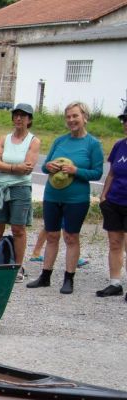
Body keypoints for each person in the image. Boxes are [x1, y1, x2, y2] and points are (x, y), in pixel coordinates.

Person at [26, 101, 104, 293]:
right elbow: (44, 167)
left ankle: (69, 278)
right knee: (52, 235)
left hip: (76, 198)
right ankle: (45, 276)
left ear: (84, 117)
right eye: (68, 117)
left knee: (70, 236)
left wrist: (76, 170)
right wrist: (49, 166)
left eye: (75, 116)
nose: (71, 120)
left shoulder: (93, 144)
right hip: (52, 195)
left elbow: (97, 173)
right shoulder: (60, 141)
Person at [0, 103, 40, 282]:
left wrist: (4, 166)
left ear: (29, 120)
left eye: (23, 116)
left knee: (18, 228)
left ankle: (17, 266)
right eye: (16, 115)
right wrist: (14, 167)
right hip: (0, 187)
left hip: (20, 189)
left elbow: (27, 168)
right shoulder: (4, 138)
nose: (19, 118)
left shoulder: (33, 141)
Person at [96, 105, 127, 300]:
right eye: (124, 120)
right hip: (114, 200)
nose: (125, 124)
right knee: (115, 242)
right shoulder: (119, 145)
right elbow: (112, 173)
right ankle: (115, 283)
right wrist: (104, 195)